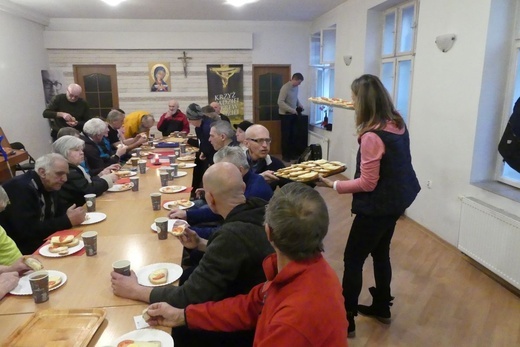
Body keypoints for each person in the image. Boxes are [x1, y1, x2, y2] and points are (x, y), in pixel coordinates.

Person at [144, 183, 348, 347]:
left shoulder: (292, 323)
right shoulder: (303, 271)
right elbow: (248, 306)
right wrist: (183, 316)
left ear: (269, 233)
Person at [111, 162, 274, 346]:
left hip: (243, 324)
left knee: (171, 331)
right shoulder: (259, 209)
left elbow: (187, 297)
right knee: (186, 275)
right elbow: (241, 254)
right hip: (260, 305)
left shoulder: (232, 235)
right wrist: (201, 244)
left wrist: (135, 290)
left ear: (210, 199)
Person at [319, 74, 421, 337]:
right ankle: (382, 307)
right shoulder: (396, 120)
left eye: (354, 98)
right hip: (397, 200)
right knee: (380, 252)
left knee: (353, 259)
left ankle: (347, 318)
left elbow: (367, 183)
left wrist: (332, 185)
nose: (352, 102)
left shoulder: (372, 137)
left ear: (363, 101)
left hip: (378, 205)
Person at [169, 146, 273, 239]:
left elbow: (224, 226)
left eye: (221, 170)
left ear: (239, 170)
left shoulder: (255, 193)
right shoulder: (248, 181)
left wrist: (188, 228)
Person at [0, 153, 86, 254]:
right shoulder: (20, 188)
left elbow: (57, 215)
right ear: (42, 172)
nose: (65, 179)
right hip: (23, 250)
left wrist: (68, 215)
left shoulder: (50, 184)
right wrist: (67, 220)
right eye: (60, 174)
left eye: (66, 174)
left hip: (44, 242)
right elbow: (26, 231)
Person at [52, 136, 117, 208]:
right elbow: (89, 191)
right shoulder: (68, 171)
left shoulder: (75, 167)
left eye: (81, 150)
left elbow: (85, 183)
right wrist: (108, 179)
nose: (82, 153)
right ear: (64, 152)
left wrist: (101, 175)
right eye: (77, 150)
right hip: (75, 210)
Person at [186, 103, 217, 193]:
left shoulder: (208, 127)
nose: (189, 122)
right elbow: (202, 142)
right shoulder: (199, 127)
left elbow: (213, 144)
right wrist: (203, 151)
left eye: (189, 119)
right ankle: (194, 190)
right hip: (207, 154)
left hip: (214, 156)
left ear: (194, 118)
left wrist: (205, 152)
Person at [244, 124, 285, 190]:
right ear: (246, 143)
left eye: (267, 140)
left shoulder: (275, 164)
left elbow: (290, 187)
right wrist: (259, 178)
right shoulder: (236, 163)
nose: (265, 145)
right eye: (259, 141)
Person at [278, 73, 304, 162]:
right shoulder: (285, 88)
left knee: (293, 135)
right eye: (299, 82)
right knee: (286, 136)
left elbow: (295, 98)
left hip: (293, 114)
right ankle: (285, 156)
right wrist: (292, 110)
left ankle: (292, 154)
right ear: (294, 79)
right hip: (285, 115)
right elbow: (280, 102)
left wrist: (299, 105)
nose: (299, 84)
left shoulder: (296, 87)